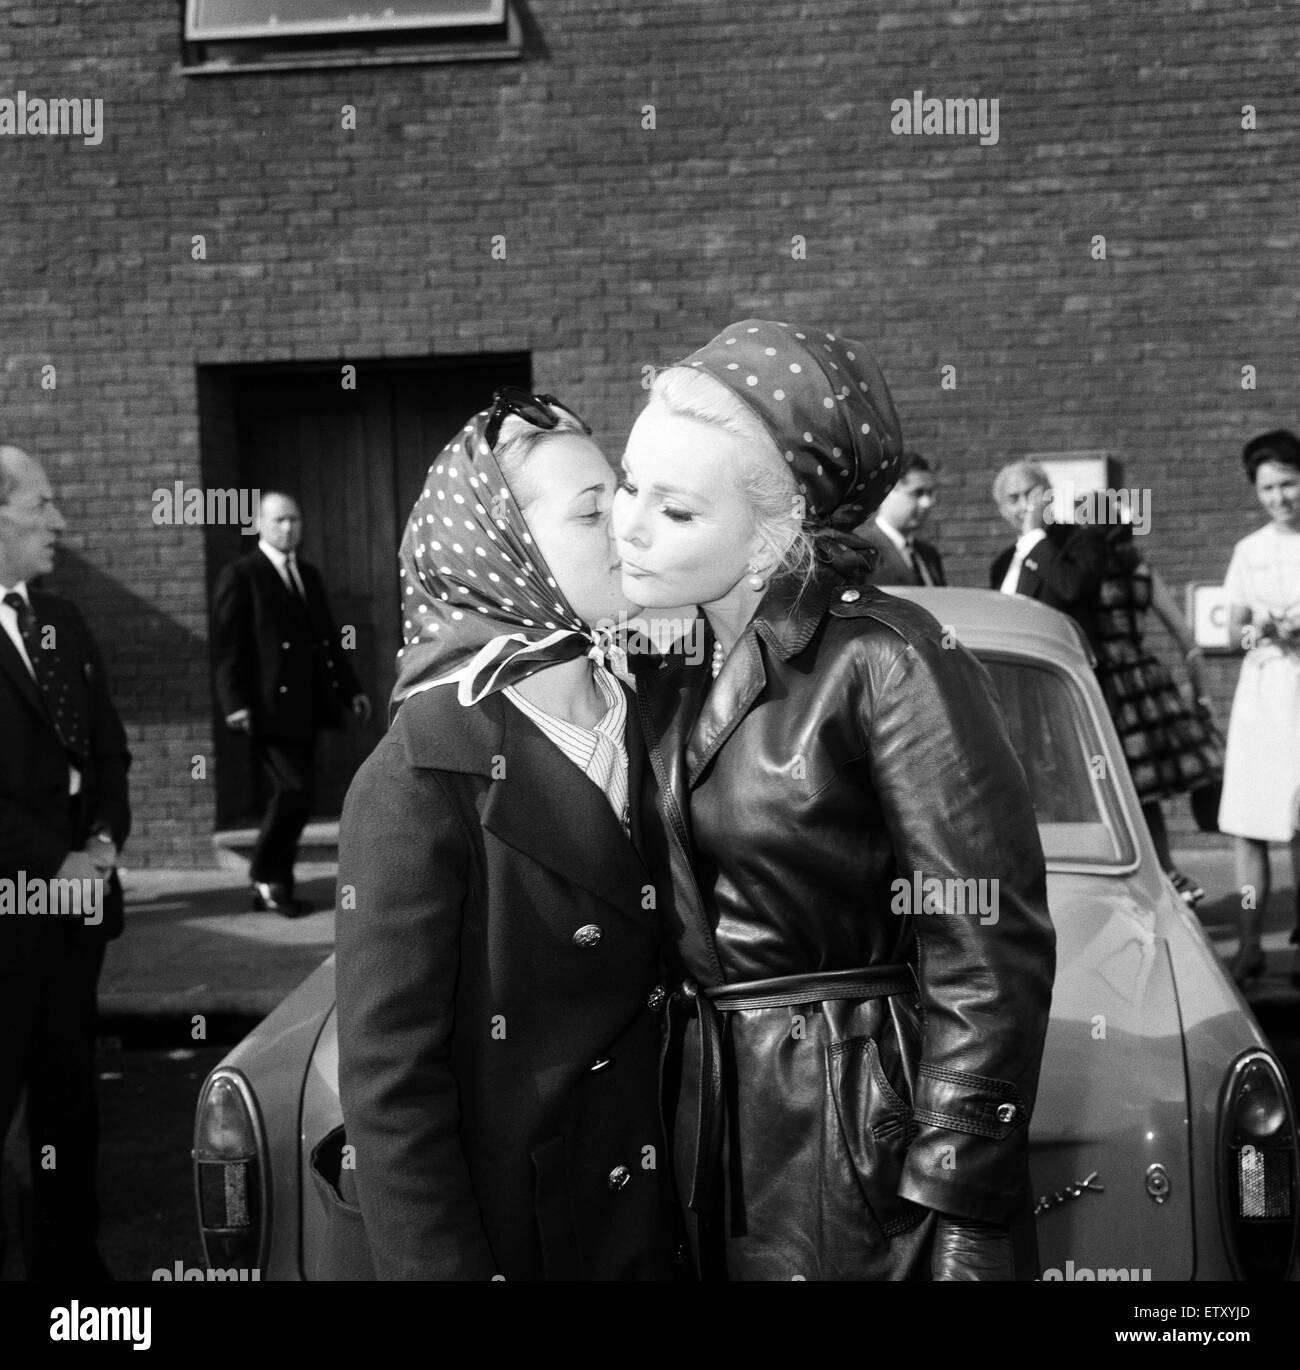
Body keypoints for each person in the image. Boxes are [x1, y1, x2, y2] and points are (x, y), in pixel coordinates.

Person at [613, 321, 1055, 1281]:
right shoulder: (656, 669)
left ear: (777, 528)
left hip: (854, 1151)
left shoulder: (888, 660)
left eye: (677, 511)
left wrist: (961, 1202)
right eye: (625, 486)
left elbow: (987, 941)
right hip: (698, 1142)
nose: (630, 526)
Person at [329, 389, 682, 1280]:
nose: (631, 527)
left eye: (630, 496)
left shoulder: (669, 715)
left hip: (682, 1215)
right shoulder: (422, 771)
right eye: (593, 509)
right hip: (537, 1239)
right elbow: (390, 1087)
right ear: (503, 549)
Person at [0, 445, 130, 1280]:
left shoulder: (65, 621)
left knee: (68, 1104)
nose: (59, 521)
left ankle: (71, 1277)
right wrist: (57, 860)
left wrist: (103, 846)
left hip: (77, 911)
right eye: (40, 504)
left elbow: (109, 751)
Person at [212, 491, 370, 916]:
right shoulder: (242, 574)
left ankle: (273, 880)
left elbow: (327, 641)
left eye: (294, 520)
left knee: (298, 796)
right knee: (292, 791)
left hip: (306, 706)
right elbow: (228, 646)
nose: (288, 528)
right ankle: (267, 878)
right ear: (259, 524)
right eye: (280, 520)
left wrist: (348, 689)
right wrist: (234, 702)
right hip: (266, 708)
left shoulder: (307, 575)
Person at [1092, 517, 1220, 907]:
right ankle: (1166, 871)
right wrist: (1201, 702)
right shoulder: (1141, 568)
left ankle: (1153, 879)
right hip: (1146, 685)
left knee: (1116, 790)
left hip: (1105, 684)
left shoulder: (1080, 573)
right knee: (1144, 793)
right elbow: (1188, 641)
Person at [1218, 429, 1300, 989]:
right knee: (1250, 823)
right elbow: (1232, 631)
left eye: (1289, 484)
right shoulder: (1248, 551)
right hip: (1263, 696)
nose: (1279, 498)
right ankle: (1249, 946)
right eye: (1268, 488)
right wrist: (1259, 629)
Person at [990, 460, 1106, 652]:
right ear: (1002, 510)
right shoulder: (1001, 564)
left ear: (1049, 495)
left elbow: (1071, 587)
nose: (1025, 506)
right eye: (1013, 499)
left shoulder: (1081, 540)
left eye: (1031, 495)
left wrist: (1033, 537)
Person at [854, 449, 946, 585]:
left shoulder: (929, 555)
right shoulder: (859, 551)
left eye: (930, 493)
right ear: (887, 491)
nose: (928, 503)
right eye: (918, 492)